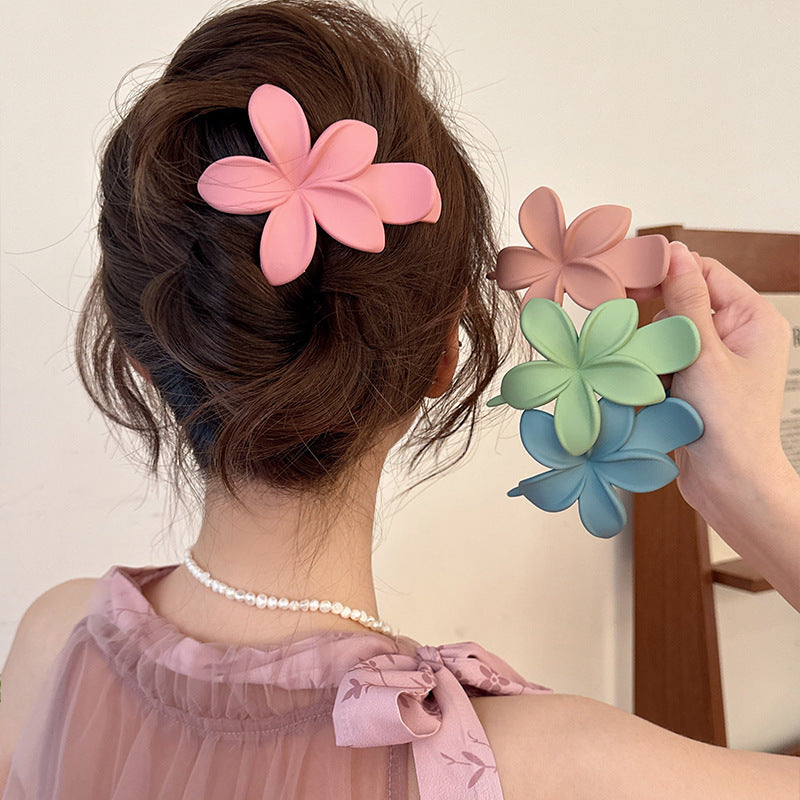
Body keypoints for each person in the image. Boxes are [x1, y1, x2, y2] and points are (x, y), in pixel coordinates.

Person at [1, 1, 798, 797]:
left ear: (142, 355)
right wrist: (758, 490)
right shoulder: (554, 769)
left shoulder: (51, 647)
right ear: (446, 351)